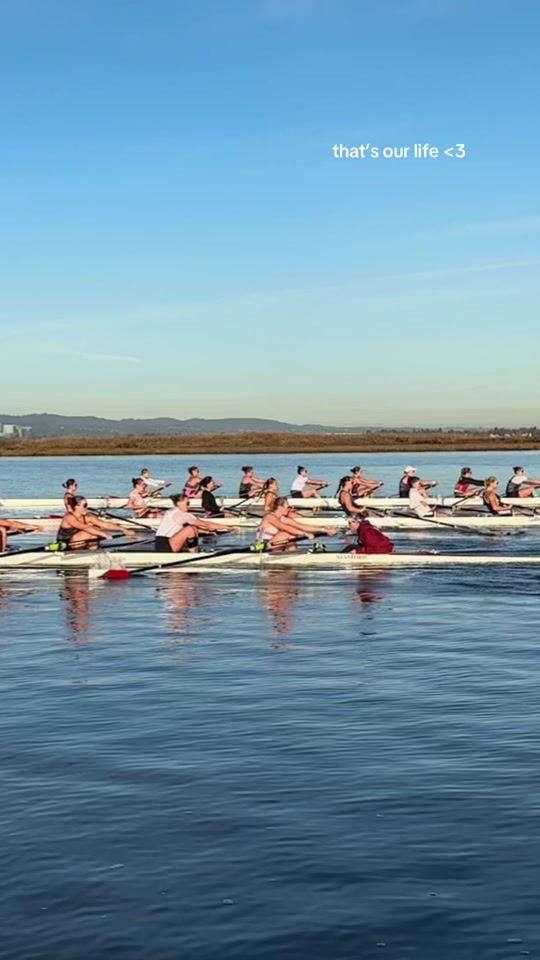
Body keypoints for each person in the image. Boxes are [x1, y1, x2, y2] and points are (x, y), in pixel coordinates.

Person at [154, 494, 231, 552]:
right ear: (178, 503)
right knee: (190, 529)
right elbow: (206, 524)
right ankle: (193, 553)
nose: (189, 506)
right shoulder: (182, 515)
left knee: (193, 528)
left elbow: (198, 529)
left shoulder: (171, 511)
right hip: (165, 545)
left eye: (189, 504)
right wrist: (228, 527)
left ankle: (193, 551)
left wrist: (208, 532)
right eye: (187, 504)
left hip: (161, 544)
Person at [257, 497, 336, 551]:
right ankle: (290, 553)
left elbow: (301, 526)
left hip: (274, 545)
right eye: (288, 507)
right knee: (287, 532)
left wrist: (324, 530)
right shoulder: (269, 517)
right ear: (280, 508)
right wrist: (305, 534)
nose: (290, 509)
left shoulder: (283, 518)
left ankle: (292, 552)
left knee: (293, 533)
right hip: (263, 546)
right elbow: (286, 528)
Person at [57, 496, 135, 550]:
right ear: (77, 507)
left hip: (78, 541)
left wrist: (124, 529)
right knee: (92, 531)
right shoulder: (69, 517)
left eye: (87, 505)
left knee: (96, 531)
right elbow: (86, 528)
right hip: (65, 544)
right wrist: (104, 534)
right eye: (85, 505)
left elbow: (104, 524)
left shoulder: (88, 516)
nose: (87, 507)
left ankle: (93, 552)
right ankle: (78, 553)